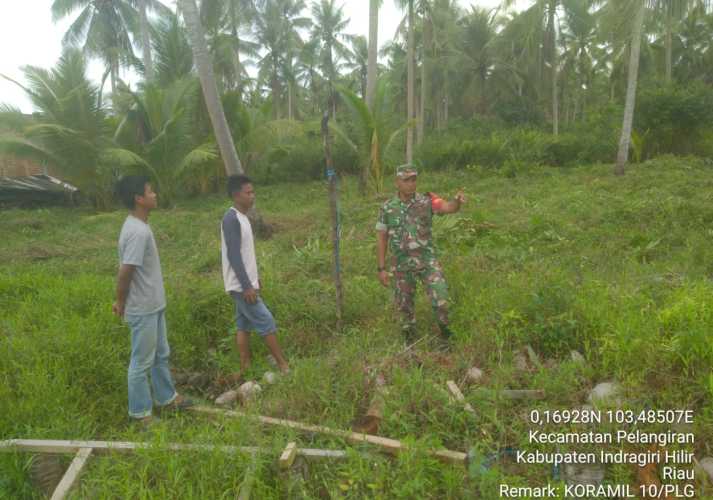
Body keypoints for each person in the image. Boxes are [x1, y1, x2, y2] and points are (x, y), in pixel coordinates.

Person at [113, 175, 192, 427]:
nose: (155, 194)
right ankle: (140, 414)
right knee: (141, 362)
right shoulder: (137, 232)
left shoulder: (140, 226)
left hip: (153, 304)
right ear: (139, 198)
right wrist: (120, 301)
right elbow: (126, 271)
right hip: (143, 307)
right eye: (150, 191)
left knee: (160, 355)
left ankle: (166, 398)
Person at [375, 164, 466, 345]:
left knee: (442, 299)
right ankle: (410, 345)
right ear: (397, 183)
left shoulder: (427, 201)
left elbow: (447, 207)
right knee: (404, 310)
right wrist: (381, 268)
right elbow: (382, 237)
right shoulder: (387, 208)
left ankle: (448, 339)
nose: (411, 184)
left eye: (413, 179)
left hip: (426, 261)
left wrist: (457, 202)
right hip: (401, 265)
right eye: (406, 180)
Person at [221, 175, 289, 375]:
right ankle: (283, 365)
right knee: (266, 320)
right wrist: (246, 285)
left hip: (245, 283)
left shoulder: (243, 218)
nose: (253, 196)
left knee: (243, 324)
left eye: (253, 192)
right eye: (248, 193)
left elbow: (245, 253)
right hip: (240, 286)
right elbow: (233, 255)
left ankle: (245, 366)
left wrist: (254, 278)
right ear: (236, 195)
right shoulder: (231, 218)